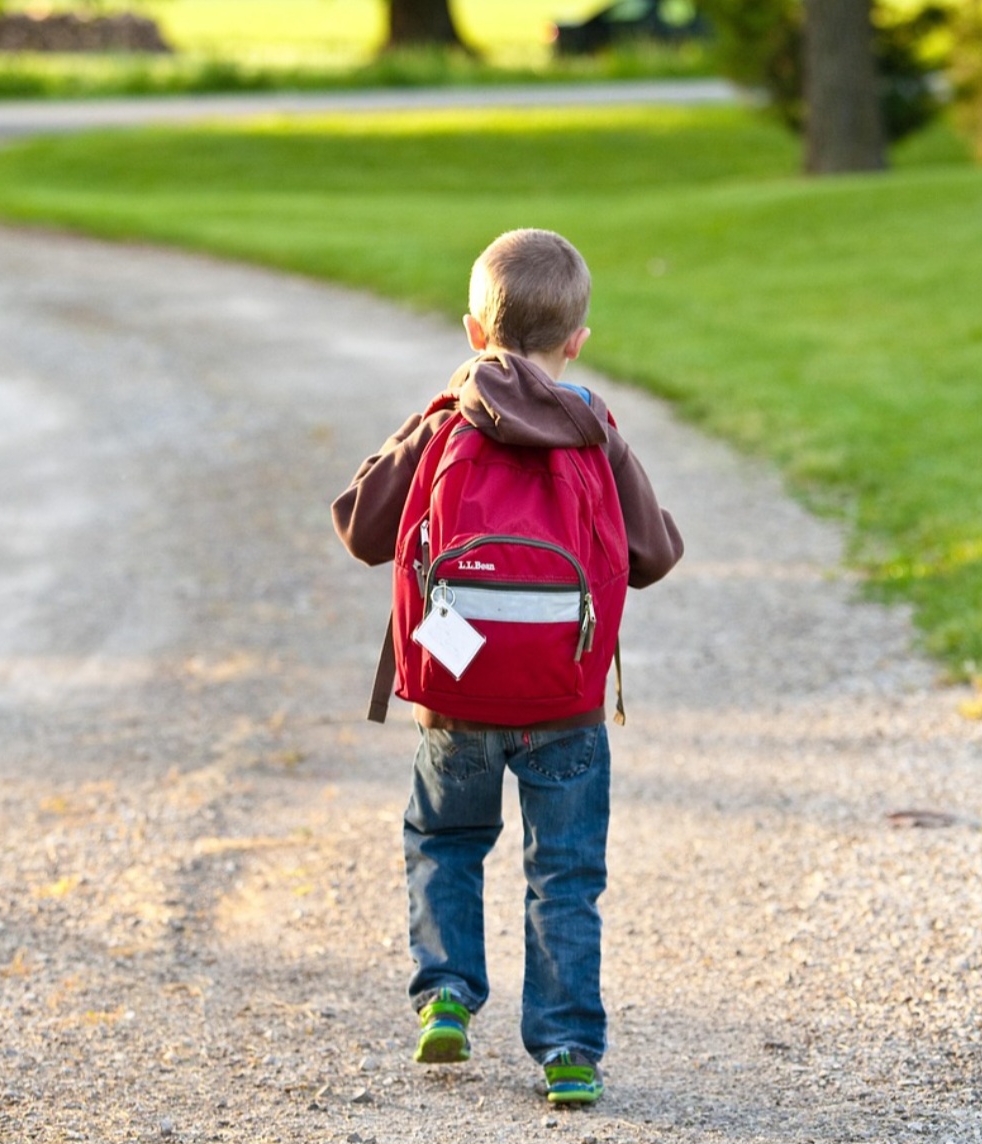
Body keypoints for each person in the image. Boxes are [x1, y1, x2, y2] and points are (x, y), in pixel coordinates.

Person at [331, 228, 683, 1104]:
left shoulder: (449, 420)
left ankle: (446, 995)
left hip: (457, 698)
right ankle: (567, 1051)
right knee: (563, 874)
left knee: (445, 841)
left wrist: (433, 413)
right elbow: (654, 554)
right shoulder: (592, 425)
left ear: (472, 333)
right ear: (577, 341)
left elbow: (361, 527)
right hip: (566, 702)